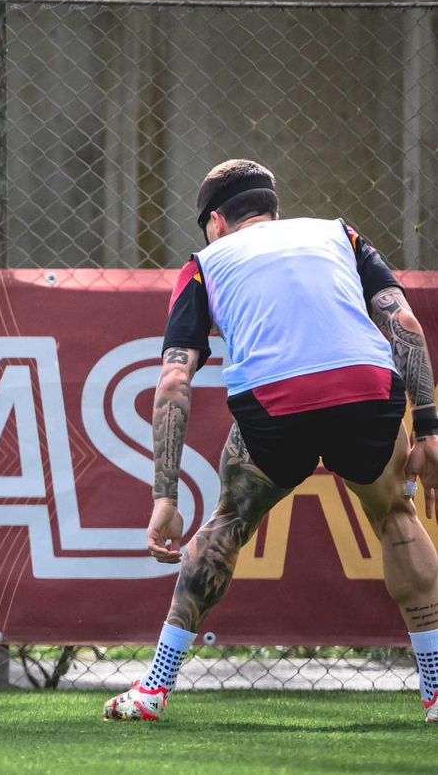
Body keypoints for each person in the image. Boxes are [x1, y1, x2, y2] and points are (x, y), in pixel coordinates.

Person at [103, 159, 438, 723]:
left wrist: (165, 498)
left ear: (215, 221)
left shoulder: (204, 264)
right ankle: (435, 693)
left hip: (274, 403)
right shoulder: (339, 233)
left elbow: (172, 380)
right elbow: (403, 322)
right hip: (364, 386)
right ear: (272, 209)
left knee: (229, 522)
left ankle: (154, 689)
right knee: (397, 518)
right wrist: (428, 428)